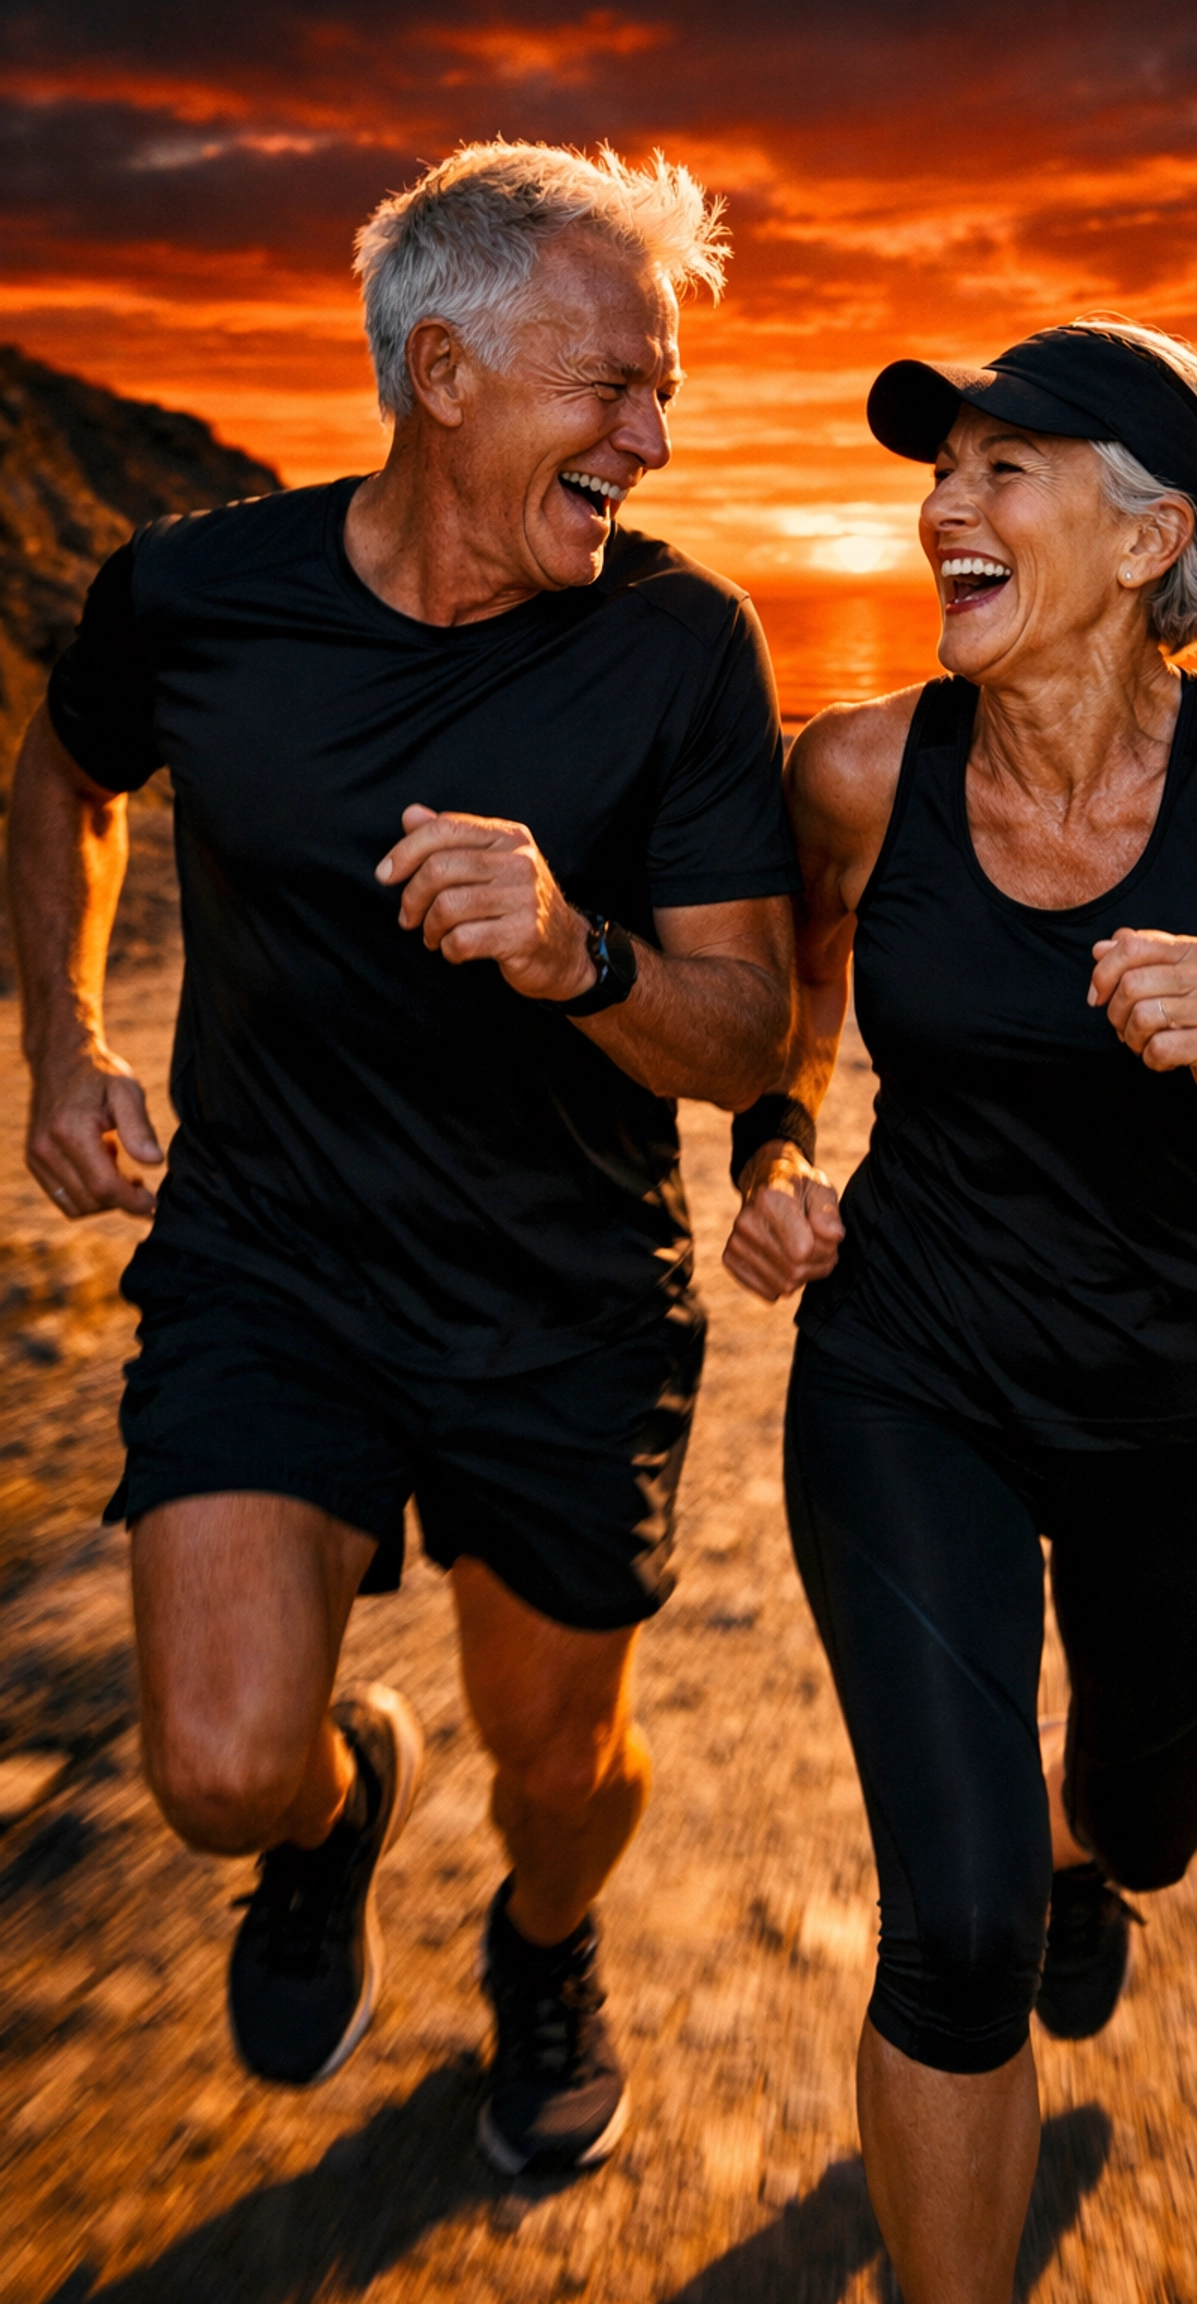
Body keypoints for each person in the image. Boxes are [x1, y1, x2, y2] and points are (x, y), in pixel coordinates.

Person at [9, 141, 799, 2177]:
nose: (651, 432)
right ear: (441, 374)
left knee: (560, 1771)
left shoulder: (684, 649)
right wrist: (67, 1043)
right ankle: (336, 1804)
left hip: (558, 1299)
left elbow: (749, 1031)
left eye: (664, 393)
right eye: (608, 386)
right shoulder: (193, 593)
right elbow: (71, 781)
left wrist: (572, 950)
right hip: (273, 1261)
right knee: (213, 1766)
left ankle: (545, 1946)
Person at [723, 319, 1197, 2303]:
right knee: (958, 1939)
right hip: (916, 1380)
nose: (941, 509)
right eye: (941, 472)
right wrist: (771, 1159)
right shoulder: (858, 768)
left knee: (1138, 1833)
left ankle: (1095, 1865)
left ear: (1150, 533)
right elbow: (790, 1008)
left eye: (1005, 470)